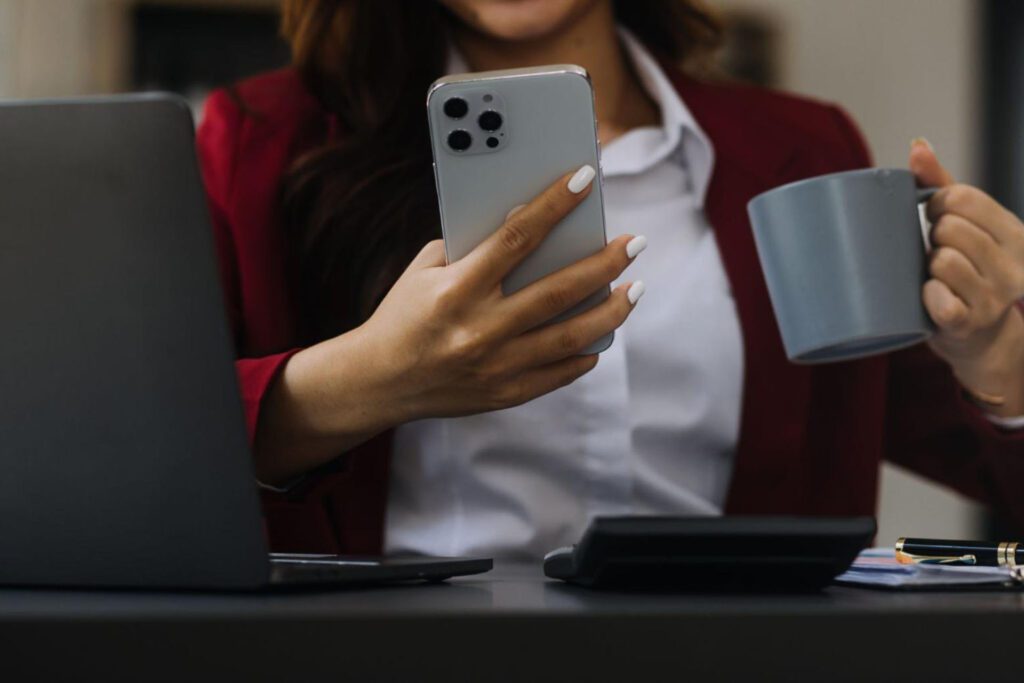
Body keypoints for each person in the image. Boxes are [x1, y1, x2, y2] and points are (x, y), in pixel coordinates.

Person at [197, 0, 1024, 557]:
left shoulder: (803, 148)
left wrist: (999, 362)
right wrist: (369, 382)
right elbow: (141, 452)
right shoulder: (267, 141)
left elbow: (960, 443)